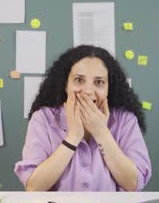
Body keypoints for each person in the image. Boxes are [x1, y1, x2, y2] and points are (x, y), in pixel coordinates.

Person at [14, 45, 151, 191]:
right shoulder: (42, 119)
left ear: (108, 88)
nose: (88, 91)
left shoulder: (126, 120)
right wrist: (73, 136)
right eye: (79, 80)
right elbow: (34, 187)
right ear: (65, 85)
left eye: (99, 82)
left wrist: (101, 132)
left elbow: (134, 184)